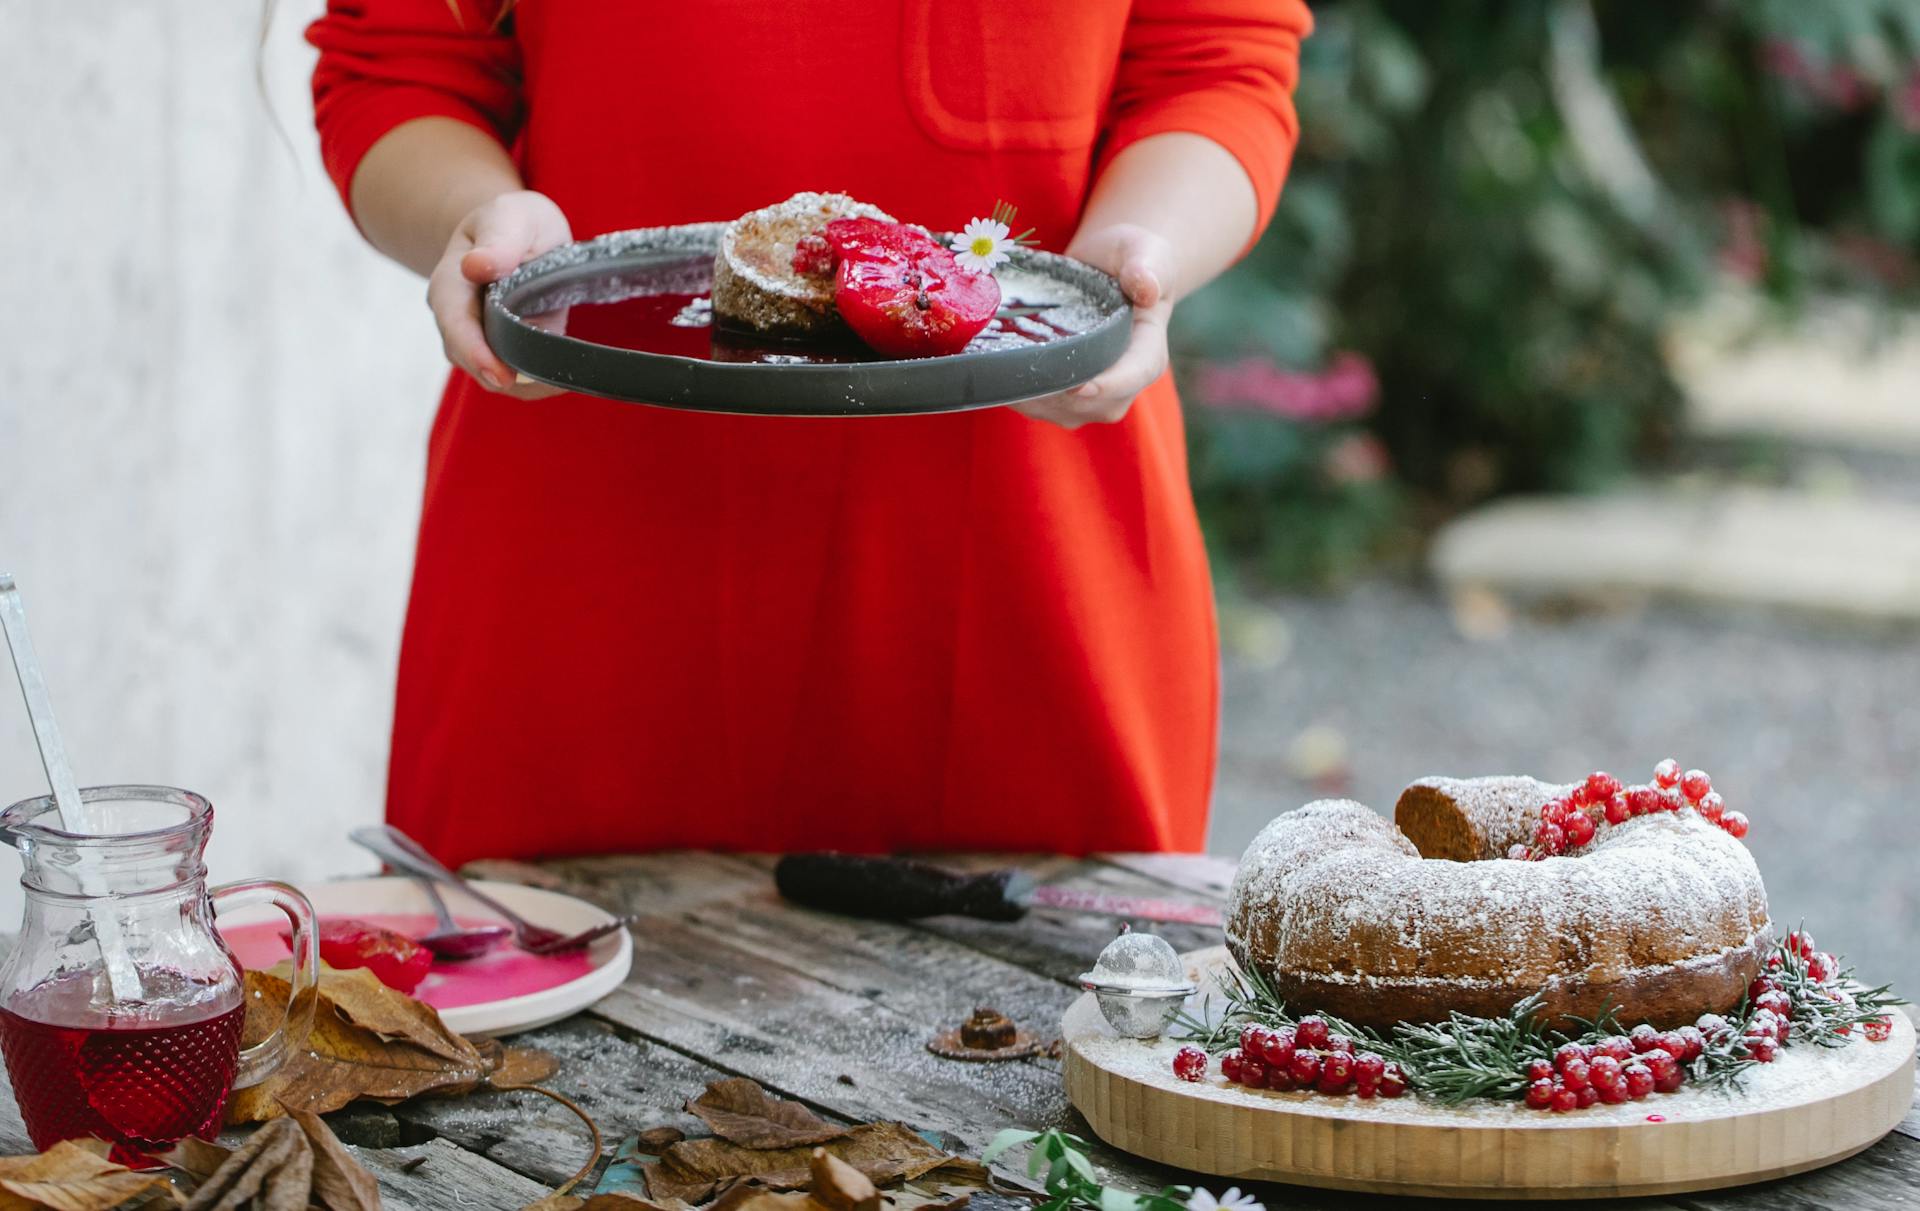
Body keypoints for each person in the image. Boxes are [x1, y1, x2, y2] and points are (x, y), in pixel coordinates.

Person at [307, 0, 1312, 867]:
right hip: (586, 574)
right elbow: (398, 65)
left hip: (1028, 566)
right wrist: (482, 219)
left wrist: (1140, 254)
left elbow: (1217, 64)